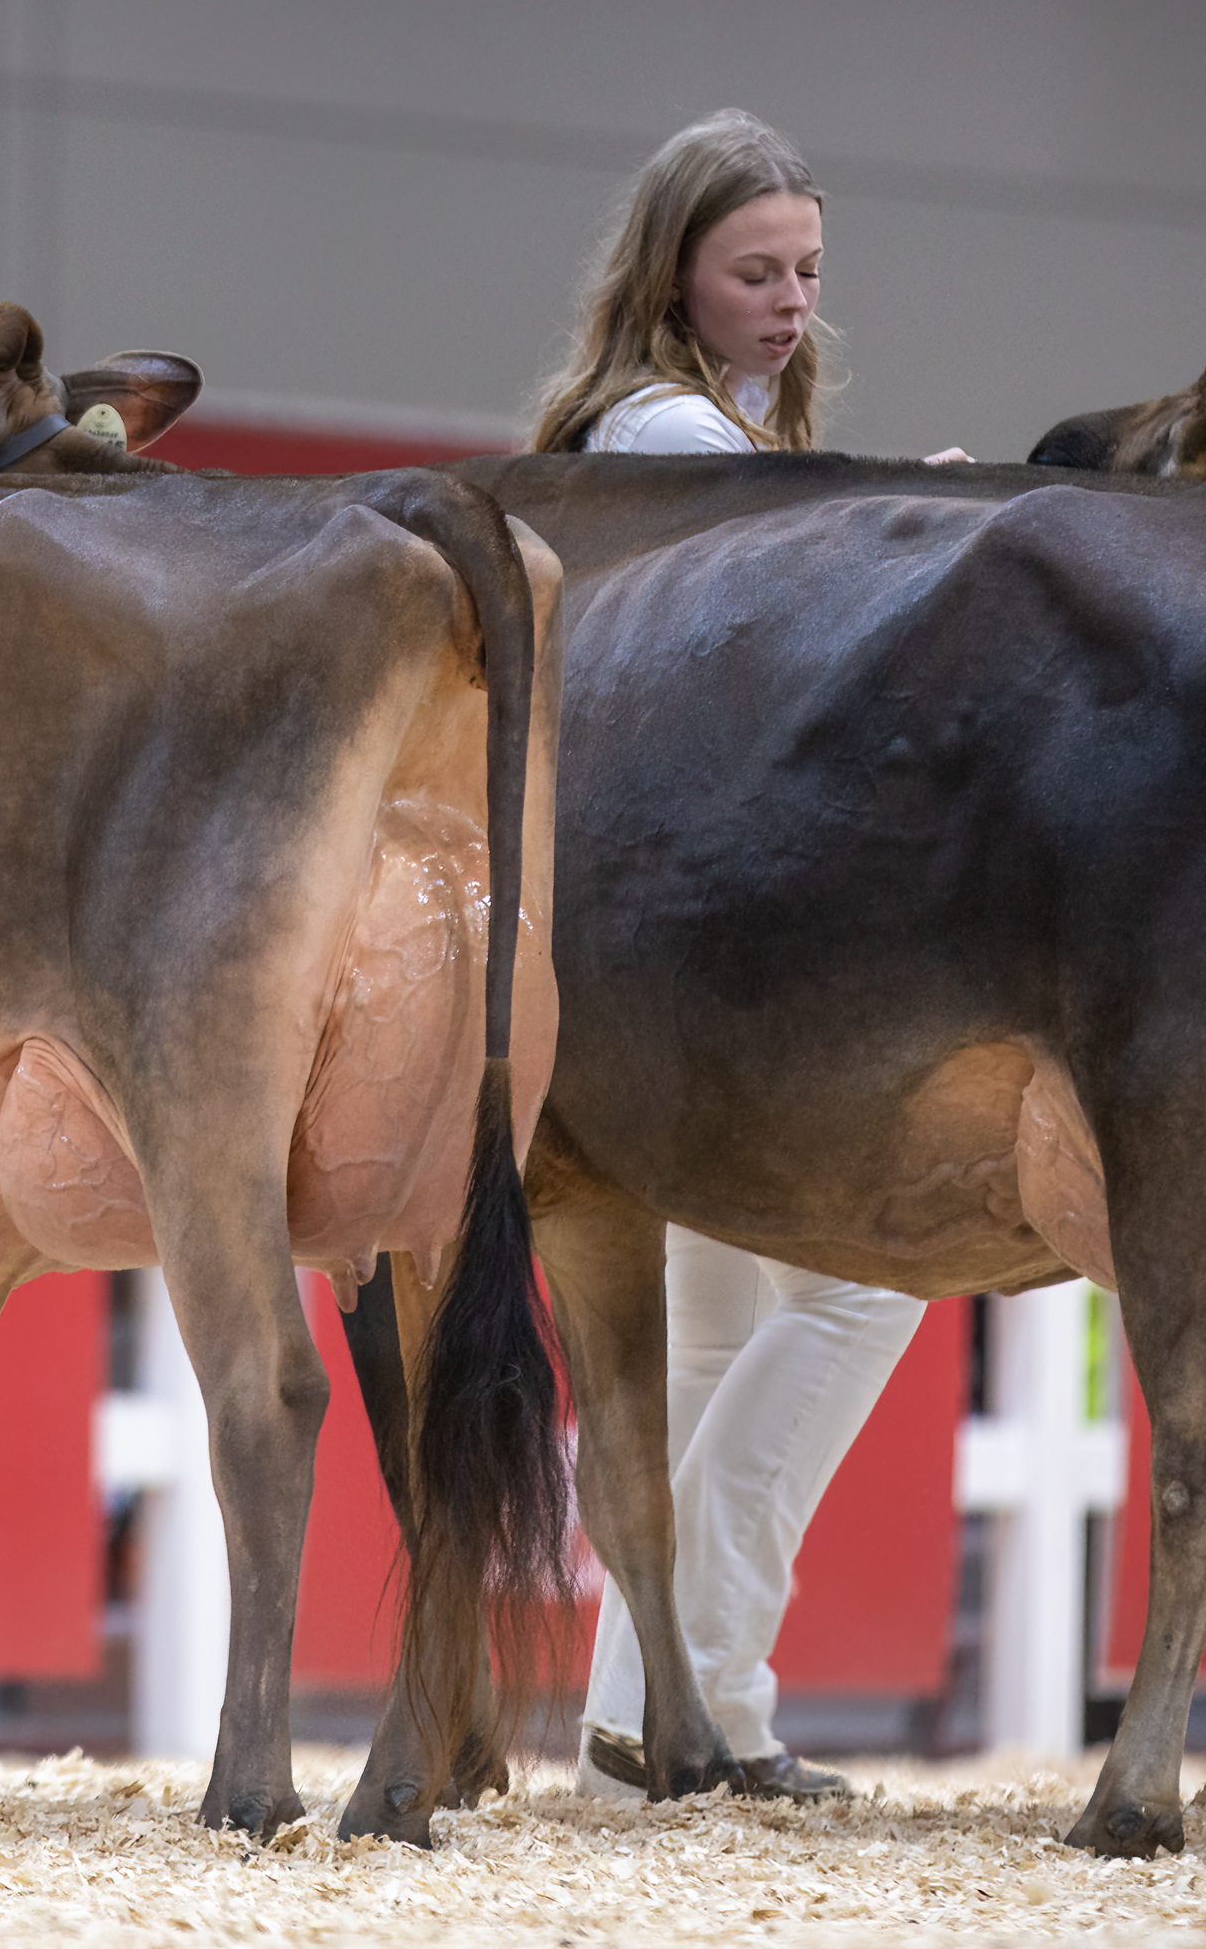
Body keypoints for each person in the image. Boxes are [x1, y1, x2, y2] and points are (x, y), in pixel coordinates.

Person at [534, 108, 929, 1803]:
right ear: (674, 274)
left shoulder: (676, 430)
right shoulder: (677, 436)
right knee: (866, 1279)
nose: (791, 301)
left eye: (808, 270)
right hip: (725, 943)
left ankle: (664, 1724)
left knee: (712, 1334)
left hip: (644, 945)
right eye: (755, 271)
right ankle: (692, 1690)